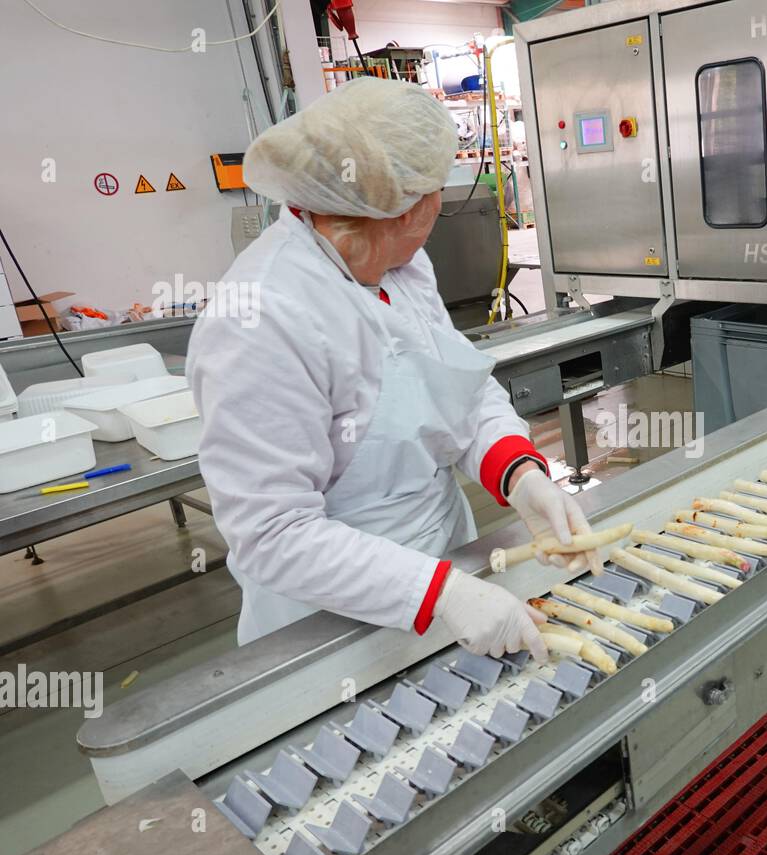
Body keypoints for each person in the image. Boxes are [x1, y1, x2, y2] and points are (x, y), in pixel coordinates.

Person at [186, 78, 596, 658]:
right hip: (331, 623)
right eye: (430, 198)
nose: (437, 210)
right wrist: (436, 595)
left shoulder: (396, 263)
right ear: (384, 210)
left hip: (447, 568)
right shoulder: (259, 319)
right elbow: (271, 534)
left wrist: (519, 474)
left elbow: (455, 388)